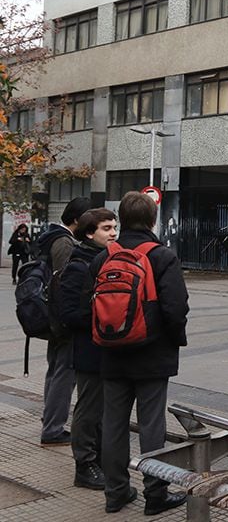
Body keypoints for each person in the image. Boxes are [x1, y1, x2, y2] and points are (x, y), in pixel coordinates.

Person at [90, 192, 189, 515]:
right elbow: (176, 309)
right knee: (151, 426)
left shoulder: (102, 259)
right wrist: (173, 340)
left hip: (112, 355)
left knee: (113, 425)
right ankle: (155, 494)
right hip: (153, 355)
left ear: (120, 219)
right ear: (152, 220)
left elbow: (87, 308)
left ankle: (115, 492)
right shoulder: (162, 256)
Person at [56, 208, 118, 491]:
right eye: (106, 228)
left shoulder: (106, 260)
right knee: (89, 410)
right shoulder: (79, 265)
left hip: (108, 349)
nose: (113, 233)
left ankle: (103, 461)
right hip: (89, 350)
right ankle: (84, 465)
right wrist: (102, 317)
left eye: (114, 227)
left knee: (106, 410)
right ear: (90, 233)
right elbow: (68, 313)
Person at [34, 196, 91, 446]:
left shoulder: (49, 236)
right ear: (77, 219)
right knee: (64, 374)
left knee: (54, 370)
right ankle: (53, 428)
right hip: (61, 319)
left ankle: (50, 420)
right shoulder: (64, 243)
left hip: (49, 316)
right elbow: (64, 285)